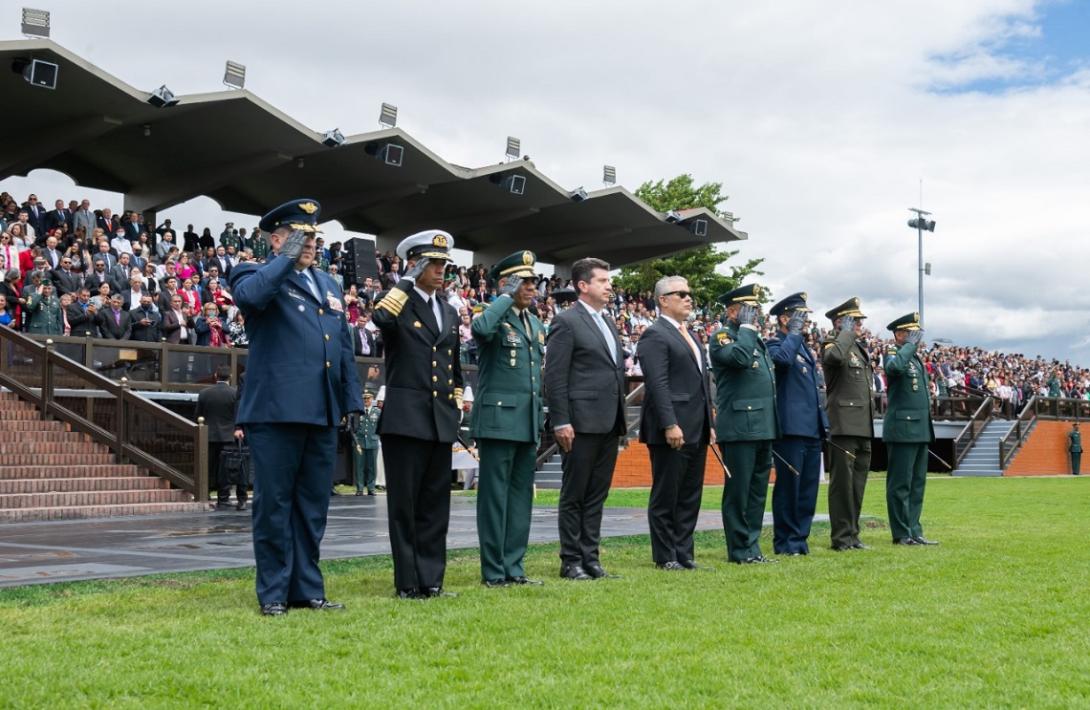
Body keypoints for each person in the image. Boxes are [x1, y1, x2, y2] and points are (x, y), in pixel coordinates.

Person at [229, 198, 364, 616]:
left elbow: (341, 347)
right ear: (277, 239)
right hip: (276, 410)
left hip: (321, 409)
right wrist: (286, 258)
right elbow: (251, 298)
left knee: (312, 505)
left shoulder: (329, 284)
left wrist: (351, 401)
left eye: (313, 236)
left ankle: (307, 588)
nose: (310, 242)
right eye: (299, 235)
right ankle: (273, 592)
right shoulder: (254, 272)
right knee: (274, 505)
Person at [372, 229, 463, 600]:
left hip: (439, 418)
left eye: (443, 263)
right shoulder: (398, 302)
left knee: (434, 506)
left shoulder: (449, 310)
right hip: (406, 418)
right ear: (415, 263)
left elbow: (452, 365)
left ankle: (432, 579)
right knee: (404, 505)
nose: (441, 270)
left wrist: (455, 402)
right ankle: (408, 581)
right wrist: (407, 280)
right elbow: (381, 319)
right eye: (433, 263)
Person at [544, 257, 626, 581]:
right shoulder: (567, 321)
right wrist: (561, 420)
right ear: (583, 285)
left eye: (609, 280)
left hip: (609, 420)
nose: (609, 286)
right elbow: (555, 375)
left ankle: (591, 558)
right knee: (575, 493)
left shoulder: (609, 322)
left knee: (597, 494)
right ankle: (571, 560)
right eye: (602, 281)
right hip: (580, 422)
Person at [470, 251, 546, 587]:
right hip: (499, 421)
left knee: (519, 499)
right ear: (507, 283)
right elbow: (481, 329)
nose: (532, 287)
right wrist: (503, 296)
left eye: (533, 281)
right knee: (494, 499)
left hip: (527, 421)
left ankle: (514, 566)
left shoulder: (535, 323)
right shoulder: (492, 314)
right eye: (523, 281)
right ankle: (493, 570)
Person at [636, 275, 712, 570]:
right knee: (667, 493)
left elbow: (702, 384)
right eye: (680, 294)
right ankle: (666, 555)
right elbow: (658, 383)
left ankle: (684, 552)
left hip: (697, 425)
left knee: (690, 494)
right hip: (673, 427)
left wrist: (710, 422)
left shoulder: (691, 335)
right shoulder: (654, 334)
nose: (688, 298)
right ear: (663, 300)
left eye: (689, 293)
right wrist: (669, 423)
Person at [709, 283, 780, 564]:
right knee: (739, 491)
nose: (755, 314)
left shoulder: (754, 339)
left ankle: (752, 548)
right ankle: (739, 550)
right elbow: (738, 359)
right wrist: (748, 330)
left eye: (756, 309)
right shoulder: (723, 336)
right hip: (739, 426)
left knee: (757, 491)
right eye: (749, 309)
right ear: (732, 311)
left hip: (762, 424)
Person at [766, 292, 828, 556]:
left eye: (805, 317)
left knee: (807, 489)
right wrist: (792, 333)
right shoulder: (774, 343)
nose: (804, 322)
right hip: (791, 427)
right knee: (789, 487)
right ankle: (785, 542)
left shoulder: (803, 346)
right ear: (784, 318)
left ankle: (800, 540)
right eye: (799, 317)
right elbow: (781, 362)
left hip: (811, 427)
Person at [820, 297, 875, 551]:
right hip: (844, 424)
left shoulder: (857, 347)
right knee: (842, 484)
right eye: (855, 320)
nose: (860, 325)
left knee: (857, 484)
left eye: (860, 320)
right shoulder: (833, 343)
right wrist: (844, 333)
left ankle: (853, 534)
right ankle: (841, 537)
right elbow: (833, 359)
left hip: (862, 424)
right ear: (840, 322)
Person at [883, 312, 938, 546]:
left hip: (920, 429)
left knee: (917, 484)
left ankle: (915, 530)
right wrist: (909, 347)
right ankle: (901, 532)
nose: (916, 338)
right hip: (903, 428)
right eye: (910, 334)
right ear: (899, 334)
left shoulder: (914, 359)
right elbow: (894, 369)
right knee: (900, 484)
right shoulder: (894, 353)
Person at [197, 366, 247, 510]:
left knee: (208, 467)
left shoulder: (204, 393)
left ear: (215, 375)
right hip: (228, 436)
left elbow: (198, 415)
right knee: (227, 469)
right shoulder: (234, 394)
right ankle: (223, 498)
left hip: (209, 436)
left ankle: (205, 494)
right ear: (230, 377)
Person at [351, 390, 380, 496]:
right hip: (359, 442)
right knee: (359, 467)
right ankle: (359, 488)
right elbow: (353, 427)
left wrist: (377, 437)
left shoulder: (377, 412)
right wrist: (355, 440)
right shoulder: (357, 412)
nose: (366, 401)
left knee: (372, 467)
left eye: (368, 398)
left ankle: (371, 488)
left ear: (372, 399)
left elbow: (380, 426)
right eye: (364, 399)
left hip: (372, 442)